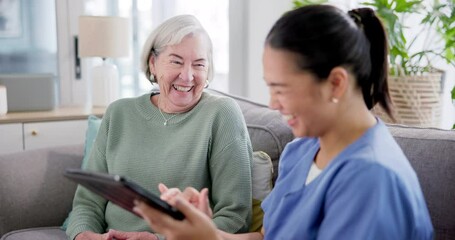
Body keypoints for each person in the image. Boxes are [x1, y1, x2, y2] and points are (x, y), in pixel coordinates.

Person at [133, 5, 434, 240]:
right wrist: (204, 233)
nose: (273, 104)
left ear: (336, 84)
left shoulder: (372, 180)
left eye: (281, 89)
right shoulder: (302, 151)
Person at [66, 14, 253, 240]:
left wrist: (158, 239)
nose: (187, 76)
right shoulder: (118, 113)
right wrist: (84, 236)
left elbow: (236, 217)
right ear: (153, 63)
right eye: (176, 61)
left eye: (199, 64)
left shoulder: (221, 114)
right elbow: (87, 202)